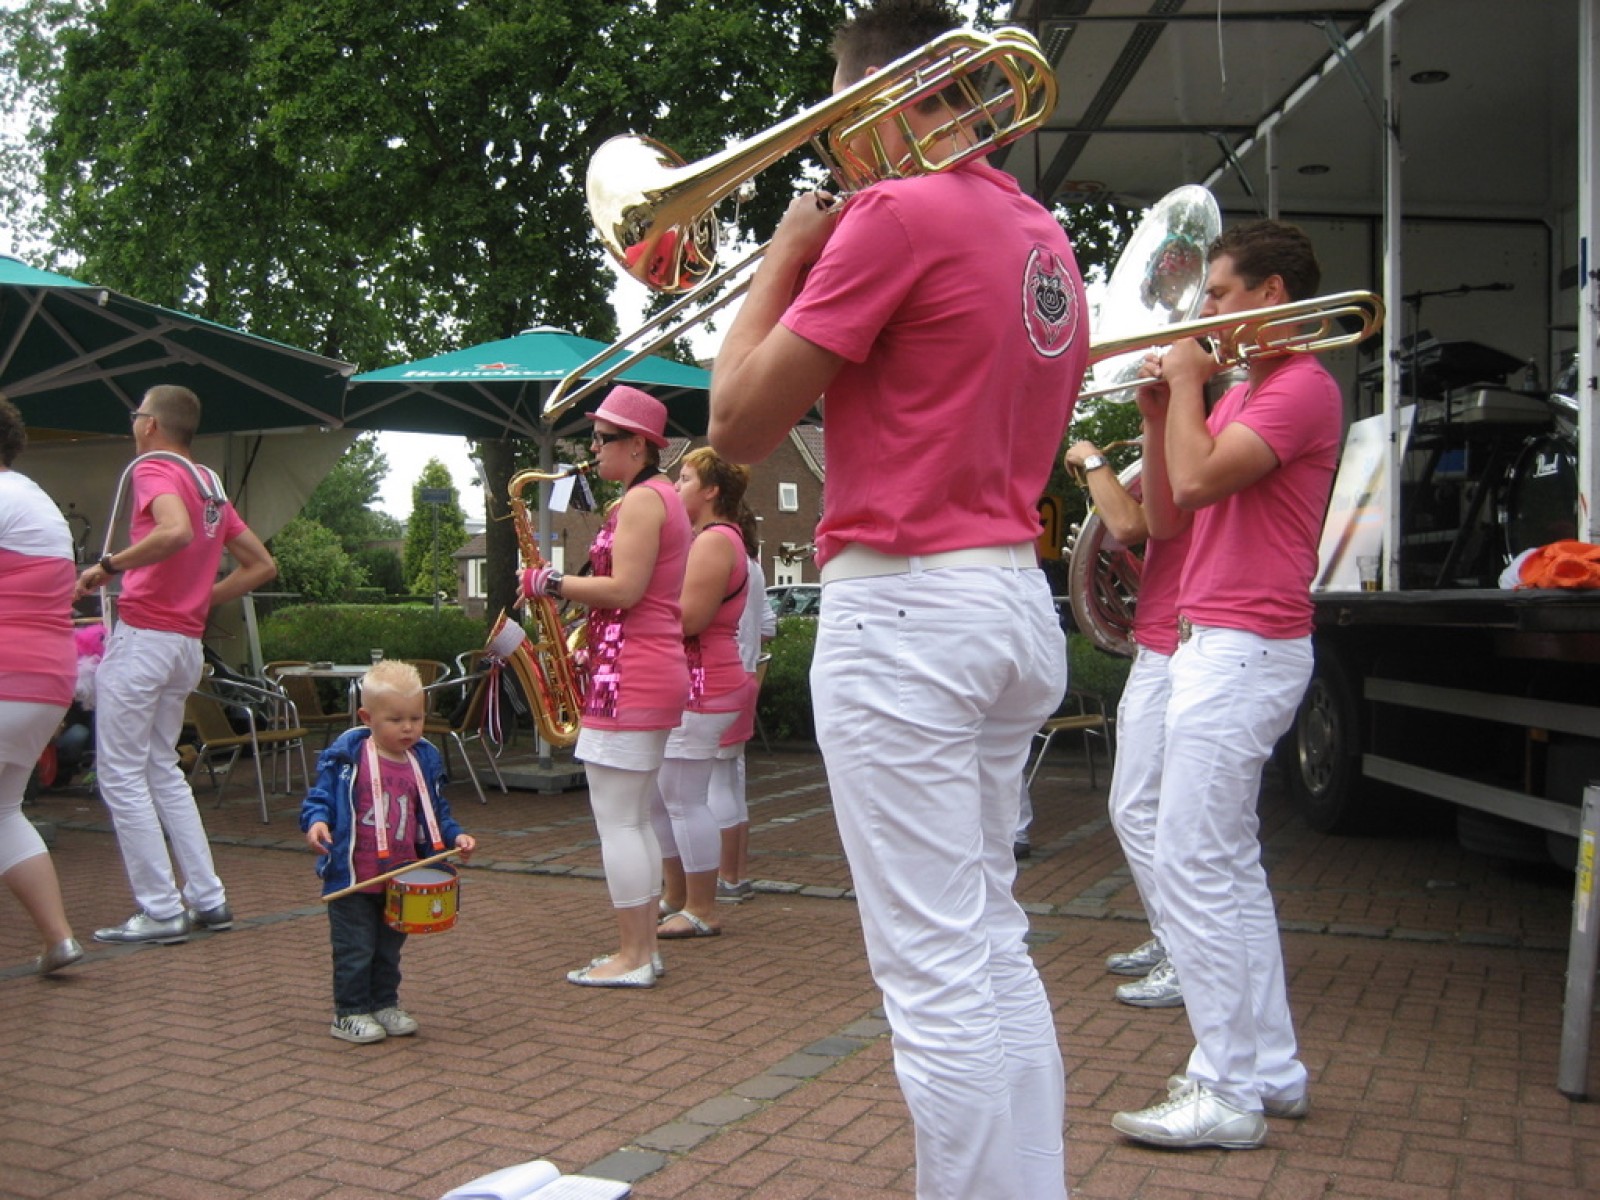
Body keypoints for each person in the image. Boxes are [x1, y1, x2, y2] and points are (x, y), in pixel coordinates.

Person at [708, 2, 1088, 1194]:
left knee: (930, 974)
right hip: (1007, 599)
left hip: (907, 611)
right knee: (989, 937)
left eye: (838, 119)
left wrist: (782, 258)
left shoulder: (894, 213)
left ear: (886, 96)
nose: (833, 152)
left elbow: (734, 424)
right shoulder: (1042, 234)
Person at [1111, 221, 1338, 1150]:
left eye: (1216, 293)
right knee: (1226, 866)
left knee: (1194, 860)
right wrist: (1158, 410)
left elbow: (1200, 482)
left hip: (1247, 644)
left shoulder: (1303, 387)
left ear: (1271, 295)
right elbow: (1170, 516)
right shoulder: (1243, 391)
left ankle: (1224, 1086)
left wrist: (1188, 386)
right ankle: (1270, 1071)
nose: (1201, 311)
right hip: (1216, 641)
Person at [73, 385, 277, 946]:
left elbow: (174, 531)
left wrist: (107, 566)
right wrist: (201, 600)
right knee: (162, 767)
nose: (133, 423)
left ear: (150, 424)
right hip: (184, 645)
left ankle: (161, 907)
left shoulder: (153, 467)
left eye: (136, 414)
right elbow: (261, 565)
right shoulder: (208, 482)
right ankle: (207, 897)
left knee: (120, 773)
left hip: (144, 638)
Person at [518, 385, 690, 988]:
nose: (593, 449)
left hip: (632, 674)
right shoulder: (655, 497)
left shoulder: (644, 501)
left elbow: (625, 590)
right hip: (640, 668)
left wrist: (550, 583)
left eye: (602, 438)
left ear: (638, 445)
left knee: (619, 822)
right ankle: (642, 951)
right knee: (633, 820)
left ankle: (634, 956)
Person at [1062, 438, 1193, 1011]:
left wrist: (1093, 461)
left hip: (1170, 644)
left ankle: (1186, 951)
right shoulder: (1186, 447)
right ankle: (1176, 939)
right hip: (1163, 638)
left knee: (1139, 809)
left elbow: (1129, 524)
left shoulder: (1187, 449)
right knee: (1148, 809)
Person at [301, 659, 476, 1043]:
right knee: (355, 950)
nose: (408, 727)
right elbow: (320, 799)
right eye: (396, 720)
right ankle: (349, 1012)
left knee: (388, 951)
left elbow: (436, 812)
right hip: (353, 878)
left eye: (416, 718)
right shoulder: (348, 758)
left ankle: (383, 1004)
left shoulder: (422, 760)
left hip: (400, 879)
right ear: (367, 717)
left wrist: (455, 836)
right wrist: (317, 822)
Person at [651, 447, 752, 939]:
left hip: (703, 683)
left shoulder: (714, 541)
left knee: (682, 797)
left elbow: (689, 620)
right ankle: (677, 895)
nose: (676, 486)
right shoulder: (710, 538)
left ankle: (701, 907)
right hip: (695, 682)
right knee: (662, 797)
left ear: (712, 491)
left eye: (686, 478)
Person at [0, 395, 84, 975]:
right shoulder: (33, 496)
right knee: (4, 812)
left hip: (7, 672)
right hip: (46, 680)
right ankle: (58, 939)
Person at [710, 504, 775, 903]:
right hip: (745, 675)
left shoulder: (720, 557)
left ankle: (720, 876)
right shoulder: (754, 565)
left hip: (717, 675)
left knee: (713, 781)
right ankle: (734, 875)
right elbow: (768, 626)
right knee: (732, 778)